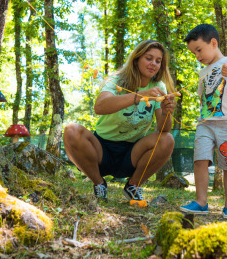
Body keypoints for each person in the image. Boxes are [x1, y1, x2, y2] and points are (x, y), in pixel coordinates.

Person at [63, 40, 176, 202]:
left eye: (158, 61)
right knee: (71, 130)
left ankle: (133, 186)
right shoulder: (117, 80)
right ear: (136, 59)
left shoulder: (159, 86)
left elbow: (163, 129)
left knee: (167, 139)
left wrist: (166, 113)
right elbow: (100, 106)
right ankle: (99, 184)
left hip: (132, 153)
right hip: (101, 150)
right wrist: (139, 96)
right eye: (149, 58)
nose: (154, 64)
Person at [179, 24, 227, 221]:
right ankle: (201, 202)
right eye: (194, 52)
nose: (197, 56)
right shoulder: (203, 72)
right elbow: (203, 99)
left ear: (213, 43)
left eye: (199, 50)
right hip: (205, 123)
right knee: (199, 158)